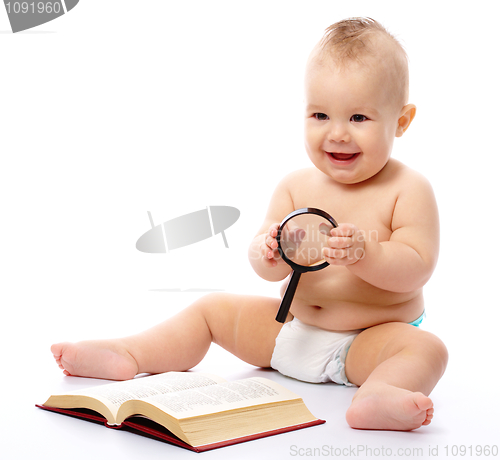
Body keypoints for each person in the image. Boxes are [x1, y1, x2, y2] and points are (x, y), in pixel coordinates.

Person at [51, 17, 448, 431]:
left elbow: (417, 266)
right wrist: (268, 251)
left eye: (359, 118)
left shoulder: (408, 189)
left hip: (365, 342)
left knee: (427, 349)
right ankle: (130, 352)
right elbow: (265, 265)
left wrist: (368, 254)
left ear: (401, 121)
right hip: (286, 328)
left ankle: (379, 394)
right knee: (211, 310)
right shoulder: (295, 186)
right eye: (320, 114)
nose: (337, 134)